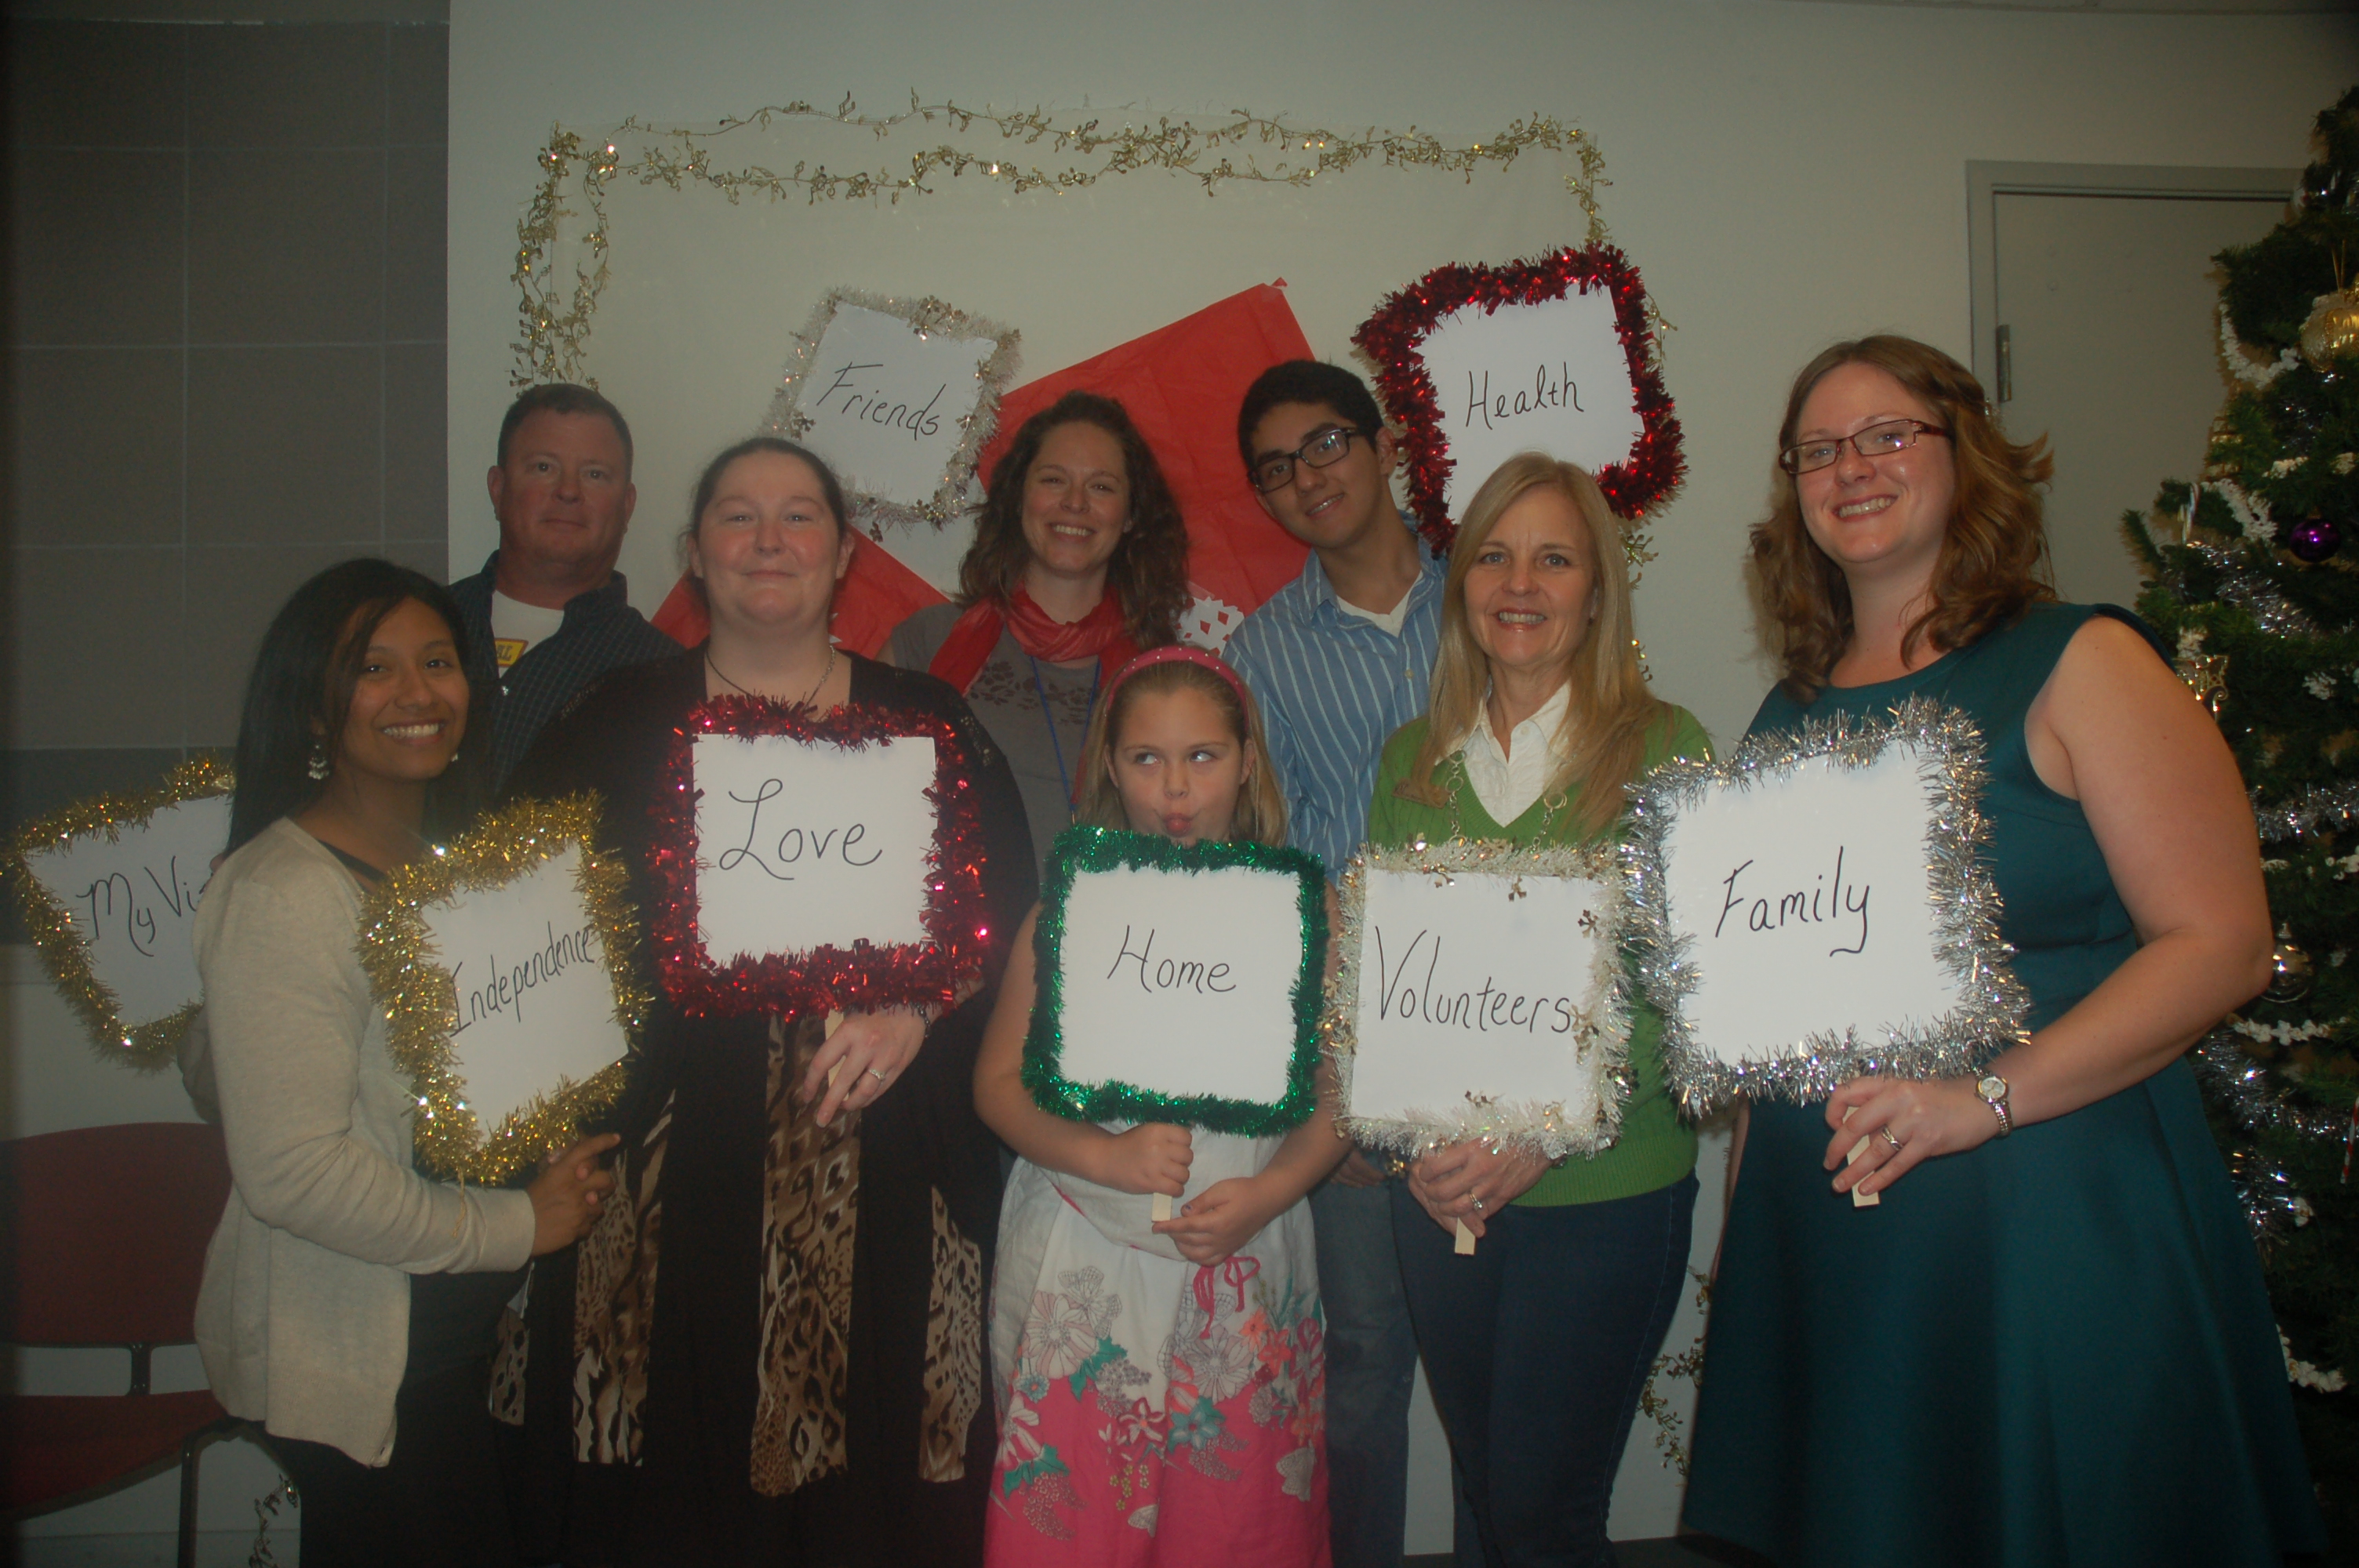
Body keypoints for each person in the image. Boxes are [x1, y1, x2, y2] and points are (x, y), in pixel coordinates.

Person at [1681, 336, 2324, 1566]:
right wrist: (1751, 1216)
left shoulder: (2082, 662)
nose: (1851, 468)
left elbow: (2223, 944)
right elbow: (1773, 997)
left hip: (2042, 1211)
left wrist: (1984, 1098)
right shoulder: (1786, 717)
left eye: (1888, 435)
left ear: (1965, 455)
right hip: (1838, 1230)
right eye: (1818, 450)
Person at [502, 437, 1036, 1567]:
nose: (767, 540)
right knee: (663, 1455)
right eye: (737, 516)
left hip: (881, 1154)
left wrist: (919, 1006)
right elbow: (523, 919)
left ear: (842, 555)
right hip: (661, 1160)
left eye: (799, 516)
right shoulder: (610, 719)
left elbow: (1007, 913)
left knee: (870, 1473)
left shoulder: (927, 719)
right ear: (694, 553)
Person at [190, 558, 616, 1567]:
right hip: (367, 1342)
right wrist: (518, 1222)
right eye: (373, 668)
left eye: (437, 661)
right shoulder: (287, 889)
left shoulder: (457, 871)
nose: (416, 692)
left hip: (457, 1333)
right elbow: (292, 1169)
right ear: (312, 703)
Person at [1363, 456, 1710, 1568]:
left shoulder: (1665, 748)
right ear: (1461, 583)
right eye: (1495, 558)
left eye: (1553, 559)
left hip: (1604, 1193)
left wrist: (1543, 1132)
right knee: (1483, 1496)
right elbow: (1390, 988)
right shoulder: (1410, 762)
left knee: (1541, 1519)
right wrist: (1414, 1143)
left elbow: (1679, 988)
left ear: (1596, 591)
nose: (1520, 584)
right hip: (1440, 1195)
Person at [974, 646, 1348, 1565]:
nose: (1174, 788)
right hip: (1085, 1262)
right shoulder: (1068, 910)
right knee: (1077, 1522)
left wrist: (1268, 1194)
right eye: (1146, 758)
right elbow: (995, 1084)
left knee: (1232, 1524)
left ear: (1247, 761)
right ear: (1111, 765)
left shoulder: (1307, 911)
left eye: (1202, 756)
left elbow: (1341, 1094)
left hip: (1244, 1258)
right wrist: (1104, 1156)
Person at [1223, 359, 1448, 1568]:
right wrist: (1329, 1084)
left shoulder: (1498, 593)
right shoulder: (1262, 652)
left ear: (1382, 443)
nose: (1307, 478)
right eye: (1277, 468)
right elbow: (1272, 872)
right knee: (1361, 1364)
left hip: (1501, 1034)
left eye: (1325, 444)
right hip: (1354, 1053)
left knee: (1500, 1364)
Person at [888, 390, 1190, 879]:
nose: (1075, 502)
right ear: (1018, 498)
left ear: (1132, 515)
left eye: (1101, 487)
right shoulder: (925, 643)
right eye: (1054, 480)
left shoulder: (1171, 677)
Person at [449, 382, 679, 789]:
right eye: (544, 468)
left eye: (595, 475)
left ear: (627, 506)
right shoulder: (425, 628)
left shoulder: (663, 676)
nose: (569, 491)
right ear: (498, 488)